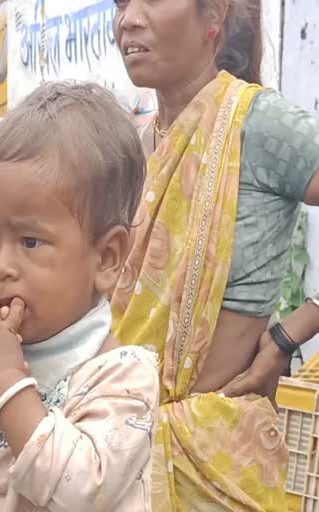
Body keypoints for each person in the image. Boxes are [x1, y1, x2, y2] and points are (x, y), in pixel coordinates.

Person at [0, 82, 159, 511]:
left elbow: (81, 493)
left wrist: (7, 386)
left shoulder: (122, 379)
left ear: (107, 257)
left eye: (31, 241)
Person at [111, 0, 319, 509]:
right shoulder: (136, 148)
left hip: (218, 465)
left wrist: (288, 336)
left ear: (214, 16)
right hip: (118, 452)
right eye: (119, 2)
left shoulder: (259, 123)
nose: (128, 19)